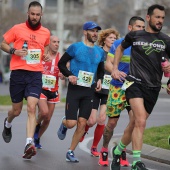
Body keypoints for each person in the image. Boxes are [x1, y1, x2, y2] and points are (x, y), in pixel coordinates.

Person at [110, 4, 170, 170]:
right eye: (157, 17)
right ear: (149, 17)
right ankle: (136, 161)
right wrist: (114, 68)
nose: (160, 21)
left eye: (163, 18)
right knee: (141, 122)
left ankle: (117, 150)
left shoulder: (166, 40)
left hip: (154, 87)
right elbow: (120, 48)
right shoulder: (135, 35)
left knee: (135, 123)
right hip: (134, 82)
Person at [0, 1, 50, 159]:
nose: (35, 17)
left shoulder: (46, 32)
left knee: (31, 107)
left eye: (37, 14)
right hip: (18, 73)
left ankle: (29, 143)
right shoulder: (17, 28)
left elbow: (45, 50)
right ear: (28, 14)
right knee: (16, 110)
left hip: (35, 74)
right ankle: (7, 123)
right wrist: (14, 50)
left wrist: (46, 55)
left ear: (41, 15)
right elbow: (3, 44)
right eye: (32, 14)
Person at [98, 16, 145, 167]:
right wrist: (115, 71)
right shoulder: (119, 44)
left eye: (143, 27)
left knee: (136, 121)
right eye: (138, 26)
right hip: (118, 87)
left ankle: (121, 148)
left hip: (135, 88)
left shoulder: (144, 46)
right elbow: (108, 64)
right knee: (111, 123)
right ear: (130, 28)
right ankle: (105, 149)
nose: (141, 30)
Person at [57, 21, 105, 162]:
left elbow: (101, 69)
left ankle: (70, 151)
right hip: (75, 89)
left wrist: (100, 80)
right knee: (72, 123)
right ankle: (64, 122)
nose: (95, 34)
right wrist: (69, 75)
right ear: (85, 32)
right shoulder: (75, 47)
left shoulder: (100, 52)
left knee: (83, 123)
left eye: (97, 31)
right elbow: (61, 63)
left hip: (89, 90)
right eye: (92, 31)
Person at [79, 28, 120, 158]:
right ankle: (84, 130)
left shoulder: (117, 53)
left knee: (102, 119)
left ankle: (94, 146)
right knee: (91, 121)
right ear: (104, 39)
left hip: (109, 89)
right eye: (110, 38)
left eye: (115, 38)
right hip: (96, 88)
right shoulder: (98, 51)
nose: (113, 40)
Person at [34, 35, 64, 149]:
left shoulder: (61, 59)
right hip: (41, 89)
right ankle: (36, 125)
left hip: (53, 90)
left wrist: (63, 75)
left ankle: (37, 138)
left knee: (47, 119)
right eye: (54, 42)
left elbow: (64, 72)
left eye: (58, 42)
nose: (56, 44)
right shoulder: (43, 56)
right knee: (44, 112)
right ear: (49, 43)